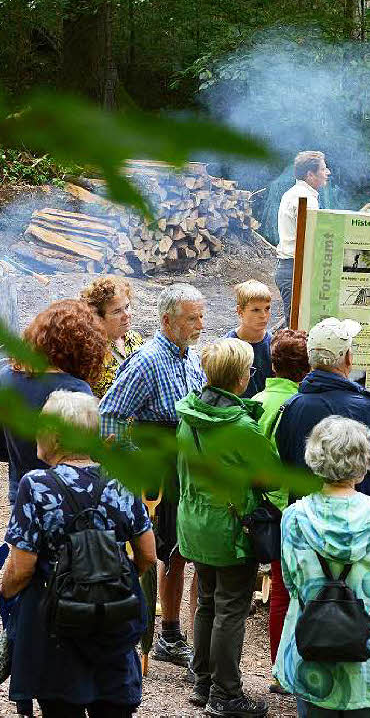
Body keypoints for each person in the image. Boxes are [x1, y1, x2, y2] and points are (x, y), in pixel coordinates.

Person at [2, 391, 156, 717]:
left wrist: (4, 593)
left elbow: (21, 570)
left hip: (58, 631)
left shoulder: (36, 485)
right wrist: (110, 578)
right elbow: (147, 554)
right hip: (112, 622)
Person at [98, 282, 207, 667]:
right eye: (192, 318)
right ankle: (142, 639)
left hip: (183, 468)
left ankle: (170, 633)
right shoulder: (147, 360)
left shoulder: (190, 356)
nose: (200, 324)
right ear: (167, 320)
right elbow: (108, 416)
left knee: (177, 551)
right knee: (148, 553)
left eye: (201, 316)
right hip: (154, 475)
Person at [176, 338, 281, 717]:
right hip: (231, 529)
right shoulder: (241, 428)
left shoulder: (188, 417)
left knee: (207, 601)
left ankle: (202, 682)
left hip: (196, 525)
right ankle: (226, 693)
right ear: (239, 379)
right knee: (231, 609)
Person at [273, 416, 370, 717]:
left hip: (313, 647)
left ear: (315, 458)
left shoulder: (295, 517)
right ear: (363, 462)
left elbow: (292, 582)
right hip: (369, 651)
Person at [275, 317, 370, 505]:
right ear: (348, 358)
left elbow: (287, 463)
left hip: (307, 521)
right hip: (359, 521)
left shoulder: (292, 406)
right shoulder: (365, 408)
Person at [251, 327, 310, 694]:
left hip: (262, 509)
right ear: (305, 371)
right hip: (292, 506)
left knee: (278, 594)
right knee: (298, 590)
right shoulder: (300, 408)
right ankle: (298, 667)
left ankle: (278, 671)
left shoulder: (257, 400)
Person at [0, 299, 106, 502]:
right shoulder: (76, 390)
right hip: (68, 497)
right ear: (84, 347)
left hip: (23, 493)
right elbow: (87, 455)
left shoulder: (5, 378)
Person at [276, 151, 330, 318]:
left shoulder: (295, 193)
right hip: (295, 269)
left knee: (296, 323)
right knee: (296, 327)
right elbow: (312, 237)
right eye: (323, 168)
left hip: (290, 267)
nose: (328, 172)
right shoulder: (304, 198)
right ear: (310, 174)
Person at [80, 275, 145, 399]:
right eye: (117, 311)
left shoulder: (135, 338)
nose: (127, 315)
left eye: (127, 307)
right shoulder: (90, 350)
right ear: (98, 316)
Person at [224, 279, 274, 399]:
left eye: (267, 308)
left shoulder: (274, 345)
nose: (263, 315)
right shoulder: (227, 346)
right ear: (240, 311)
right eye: (256, 310)